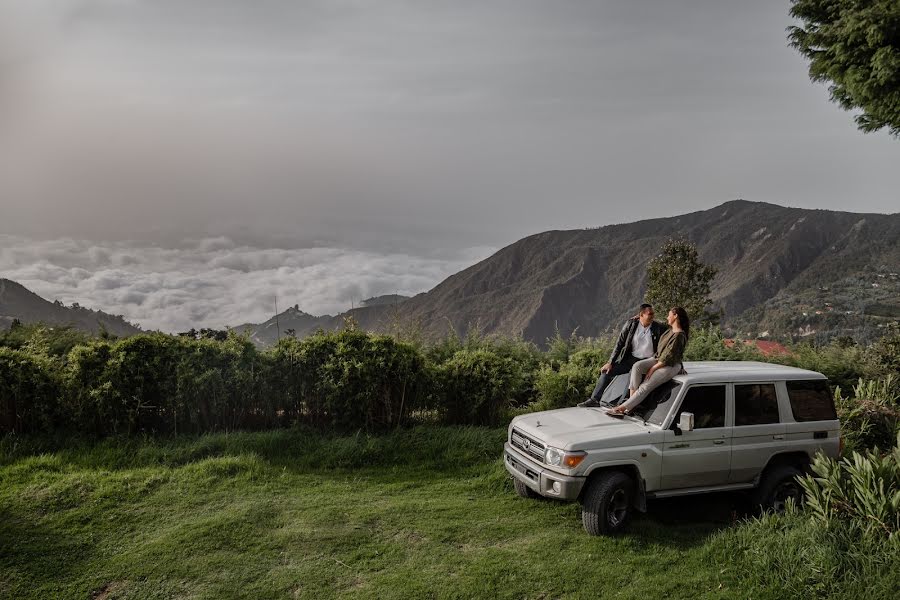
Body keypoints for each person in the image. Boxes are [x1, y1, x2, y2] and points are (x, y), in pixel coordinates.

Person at [578, 304, 666, 407]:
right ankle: (594, 399)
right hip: (630, 359)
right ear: (641, 315)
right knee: (607, 372)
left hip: (646, 362)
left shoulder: (658, 327)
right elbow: (619, 344)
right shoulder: (631, 324)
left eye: (653, 313)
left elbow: (671, 342)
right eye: (649, 314)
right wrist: (610, 362)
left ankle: (622, 405)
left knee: (632, 374)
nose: (652, 316)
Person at [607, 306, 689, 415]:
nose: (667, 317)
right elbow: (656, 324)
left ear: (675, 316)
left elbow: (669, 356)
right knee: (637, 366)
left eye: (669, 315)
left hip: (670, 365)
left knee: (646, 385)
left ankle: (622, 408)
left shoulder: (679, 335)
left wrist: (652, 369)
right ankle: (633, 403)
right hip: (659, 359)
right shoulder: (670, 330)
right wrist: (640, 317)